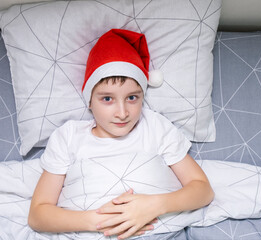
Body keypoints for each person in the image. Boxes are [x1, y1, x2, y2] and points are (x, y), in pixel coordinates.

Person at [28, 29, 214, 239]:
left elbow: (203, 190)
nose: (123, 113)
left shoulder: (154, 127)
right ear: (89, 100)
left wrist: (154, 206)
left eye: (132, 98)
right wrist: (102, 221)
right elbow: (38, 215)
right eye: (107, 99)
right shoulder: (69, 136)